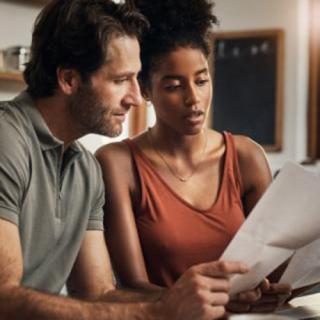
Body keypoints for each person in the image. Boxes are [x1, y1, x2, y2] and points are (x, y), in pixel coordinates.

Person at [0, 0, 250, 319]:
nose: (135, 97)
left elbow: (99, 294)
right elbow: (4, 299)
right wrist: (158, 313)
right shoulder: (7, 140)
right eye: (120, 80)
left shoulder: (86, 169)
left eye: (136, 79)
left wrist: (206, 298)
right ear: (69, 79)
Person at [95, 0, 292, 314]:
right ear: (144, 89)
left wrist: (277, 291)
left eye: (201, 81)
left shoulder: (246, 157)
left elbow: (277, 272)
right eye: (173, 86)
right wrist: (214, 299)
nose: (193, 99)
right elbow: (133, 286)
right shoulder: (117, 163)